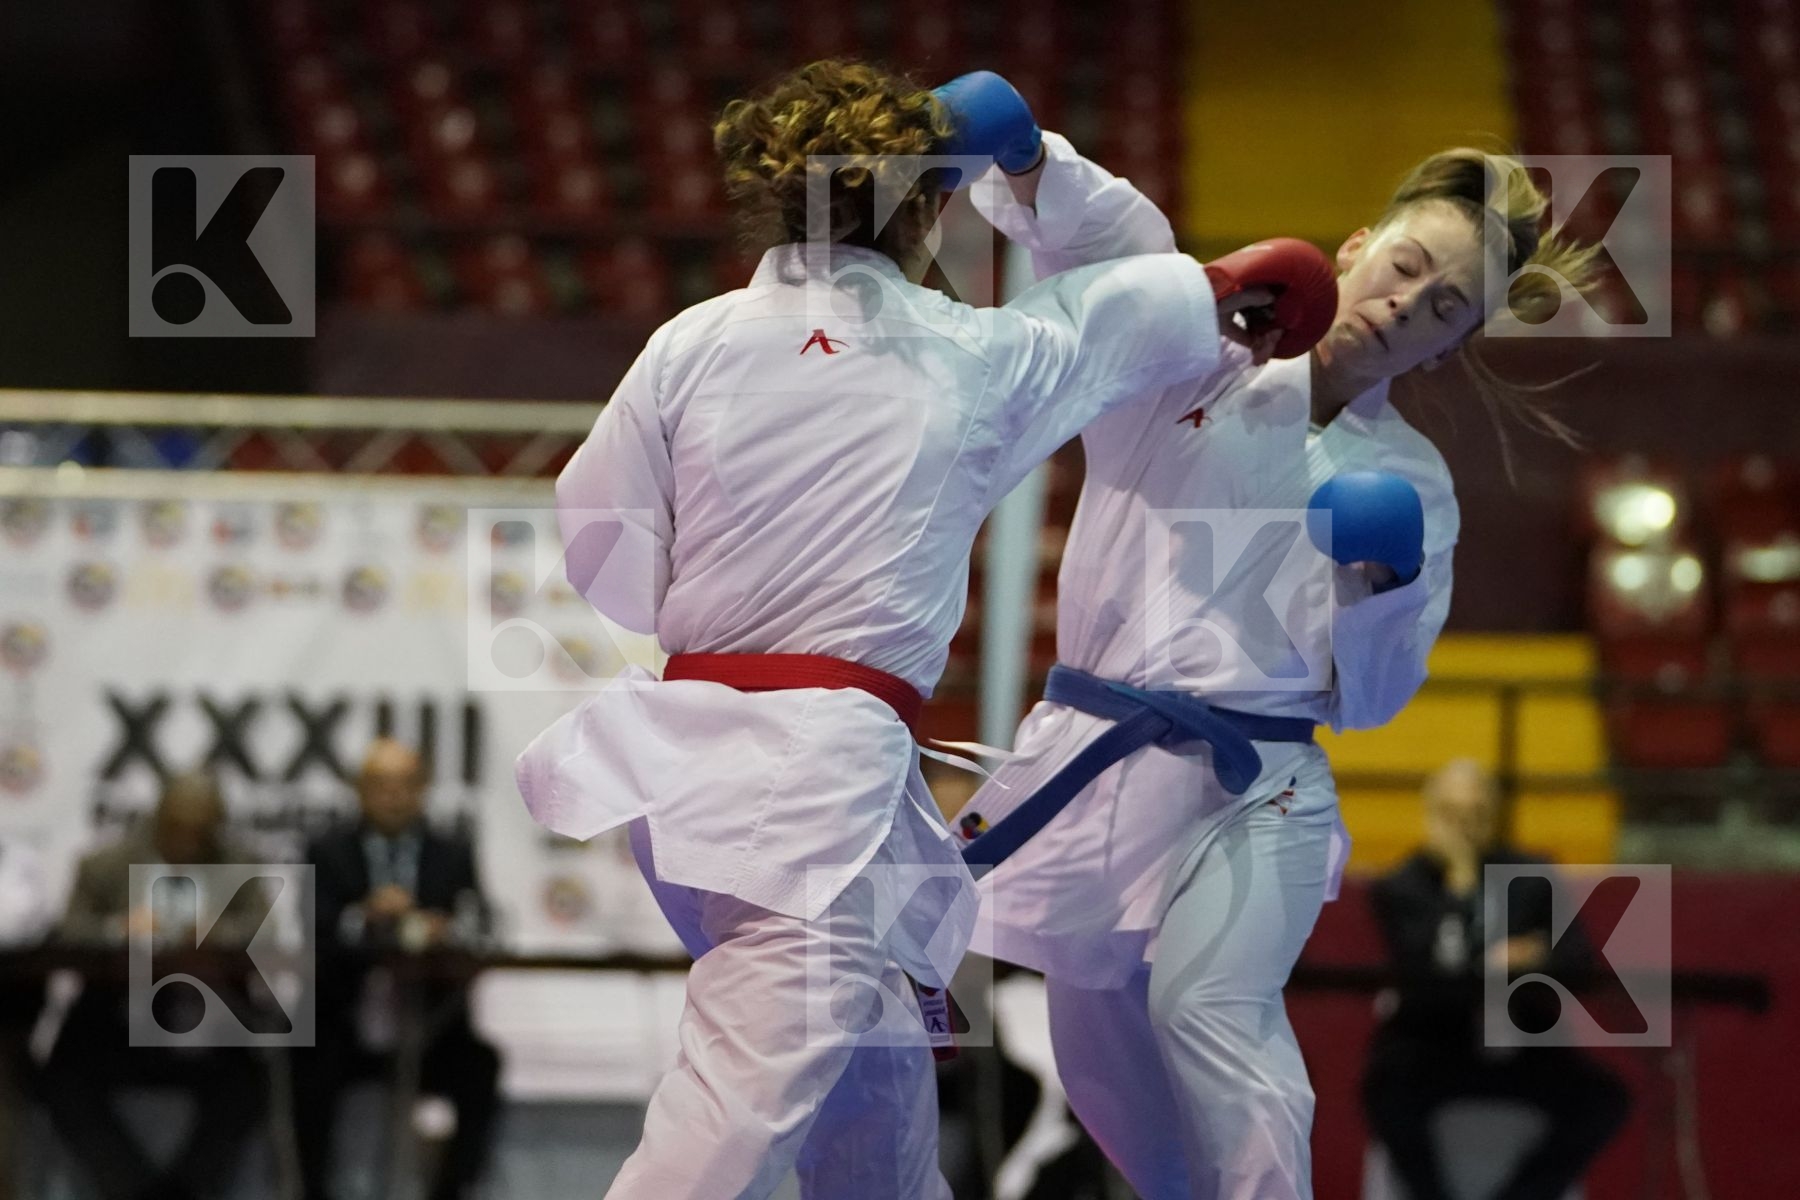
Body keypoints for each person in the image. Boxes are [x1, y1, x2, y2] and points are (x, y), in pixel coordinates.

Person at [514, 60, 1326, 1200]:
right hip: (808, 795)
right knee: (737, 1114)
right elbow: (1126, 308)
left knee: (879, 1096)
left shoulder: (689, 342)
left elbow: (597, 541)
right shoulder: (966, 355)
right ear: (928, 205)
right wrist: (1225, 280)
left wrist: (740, 608)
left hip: (693, 768)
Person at [946, 75, 1605, 1200]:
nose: (1410, 303)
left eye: (1447, 307)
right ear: (1354, 249)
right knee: (1101, 1064)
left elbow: (1374, 698)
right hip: (1094, 755)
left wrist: (1386, 584)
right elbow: (1117, 249)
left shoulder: (1415, 485)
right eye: (1405, 267)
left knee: (1207, 1006)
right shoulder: (1186, 355)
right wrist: (1030, 165)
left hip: (1262, 784)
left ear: (1452, 348)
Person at [1362, 759, 1631, 1200]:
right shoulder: (1401, 887)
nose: (1465, 826)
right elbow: (1423, 964)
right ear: (1431, 816)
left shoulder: (1533, 876)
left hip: (1525, 1045)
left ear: (1495, 814)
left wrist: (1536, 954)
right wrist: (1465, 893)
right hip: (1433, 1047)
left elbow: (1577, 958)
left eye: (1477, 813)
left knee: (1602, 1100)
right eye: (1452, 814)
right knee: (1386, 1094)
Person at [43, 770, 271, 1200]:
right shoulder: (105, 864)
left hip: (209, 1015)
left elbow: (265, 933)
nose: (187, 839)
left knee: (249, 1083)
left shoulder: (238, 865)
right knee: (61, 1078)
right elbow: (69, 931)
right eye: (177, 827)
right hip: (117, 1017)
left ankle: (184, 1191)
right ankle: (136, 1190)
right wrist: (118, 930)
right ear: (158, 817)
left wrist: (213, 934)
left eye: (200, 831)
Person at [293, 738, 500, 1200]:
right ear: (360, 790)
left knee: (479, 1067)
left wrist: (442, 927)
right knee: (301, 1065)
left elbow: (479, 918)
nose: (393, 796)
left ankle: (451, 1190)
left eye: (406, 784)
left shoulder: (451, 849)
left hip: (431, 1023)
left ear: (423, 789)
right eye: (381, 785)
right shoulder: (327, 849)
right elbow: (313, 926)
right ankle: (310, 1190)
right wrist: (364, 916)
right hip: (343, 1021)